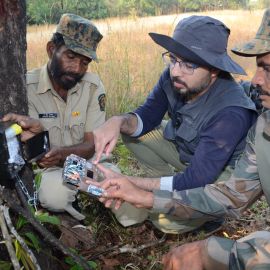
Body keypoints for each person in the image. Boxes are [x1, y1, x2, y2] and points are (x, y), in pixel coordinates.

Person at [93, 9, 270, 269]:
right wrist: (117, 121)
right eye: (173, 59)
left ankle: (197, 214)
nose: (176, 71)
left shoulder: (232, 111)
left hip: (218, 171)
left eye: (189, 63)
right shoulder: (265, 125)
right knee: (134, 134)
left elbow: (199, 180)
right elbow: (146, 117)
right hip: (193, 156)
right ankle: (174, 191)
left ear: (213, 71)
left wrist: (136, 186)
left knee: (166, 222)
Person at [26, 13, 106, 221]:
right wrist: (54, 157)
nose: (77, 69)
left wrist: (62, 154)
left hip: (86, 163)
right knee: (56, 197)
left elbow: (91, 146)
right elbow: (36, 156)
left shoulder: (92, 87)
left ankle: (101, 203)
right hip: (50, 171)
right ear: (51, 49)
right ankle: (76, 219)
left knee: (114, 187)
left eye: (85, 62)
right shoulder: (26, 88)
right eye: (71, 57)